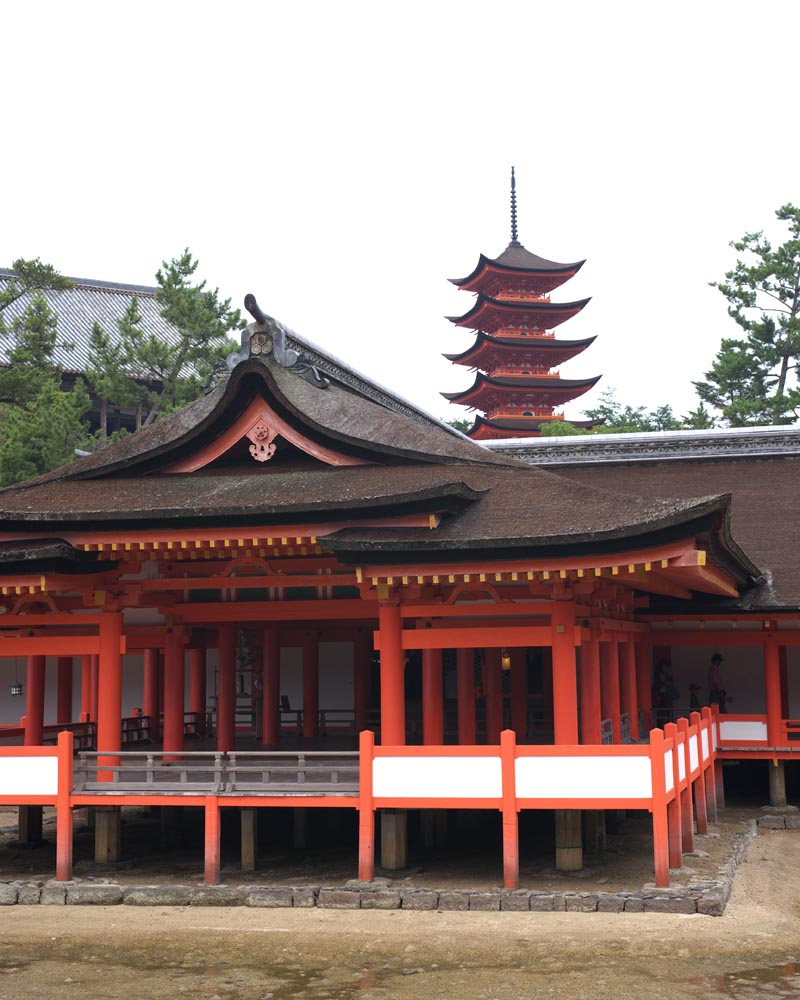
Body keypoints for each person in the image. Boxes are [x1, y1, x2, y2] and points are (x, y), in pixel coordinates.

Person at [653, 659, 678, 725]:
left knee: (665, 711)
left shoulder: (664, 674)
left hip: (664, 694)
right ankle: (662, 725)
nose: (666, 668)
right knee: (663, 711)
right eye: (666, 667)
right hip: (661, 694)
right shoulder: (659, 674)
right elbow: (661, 683)